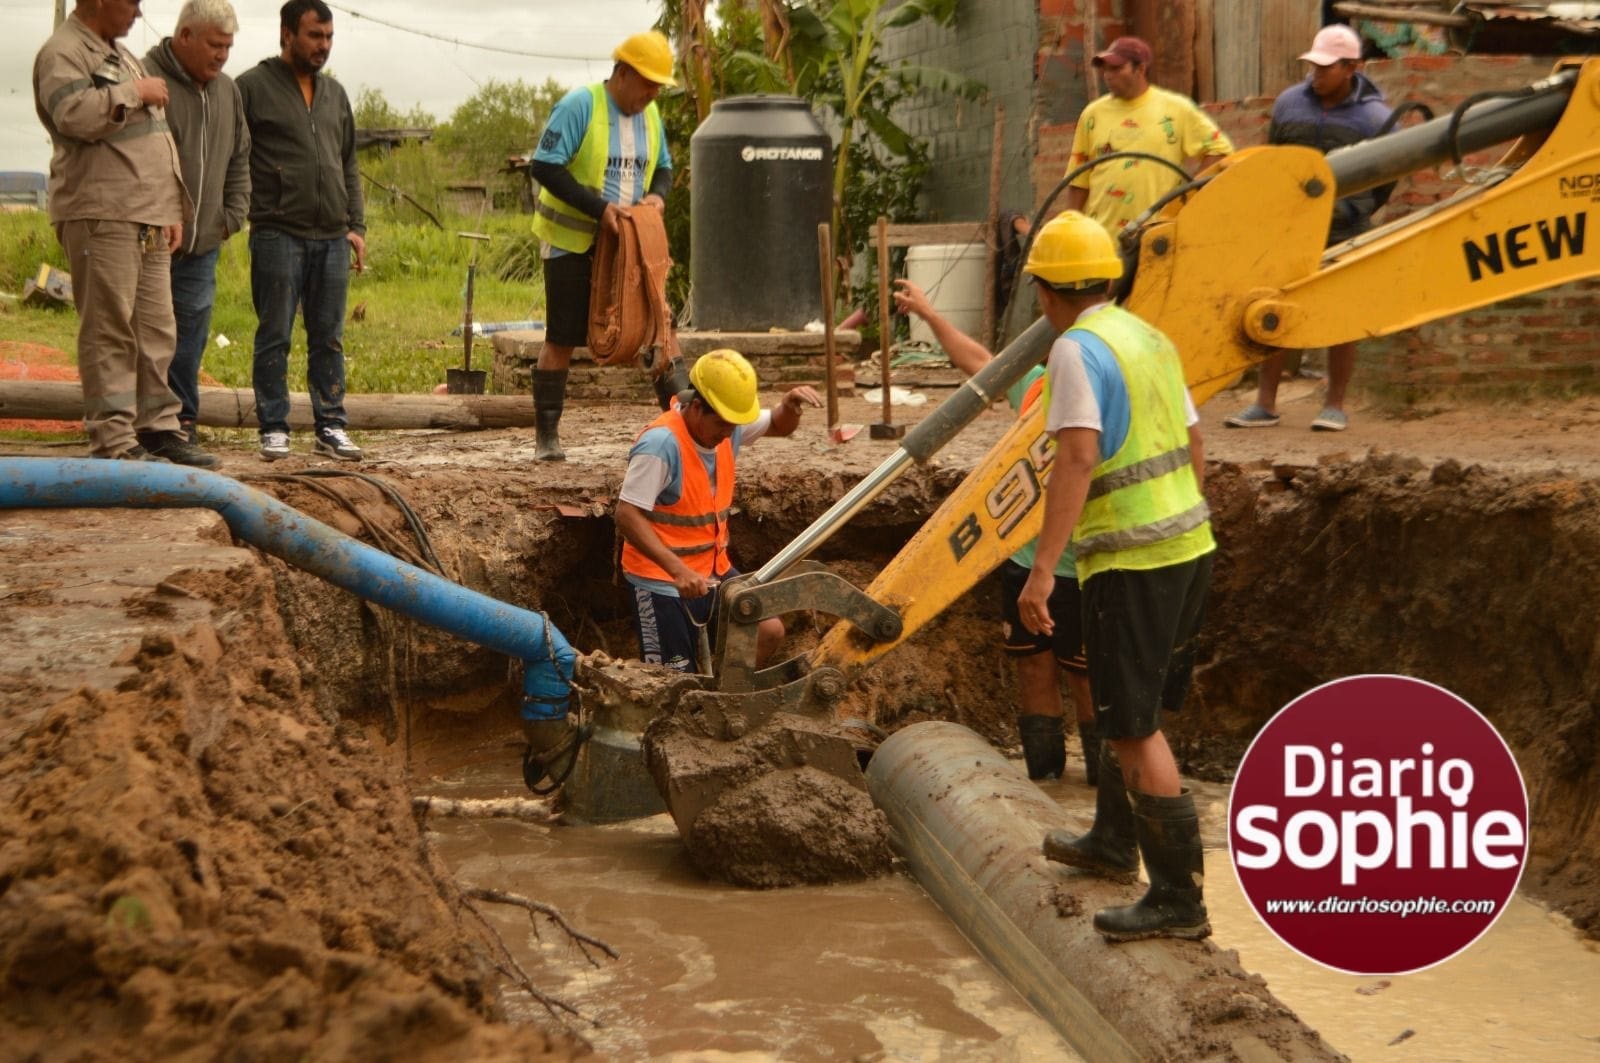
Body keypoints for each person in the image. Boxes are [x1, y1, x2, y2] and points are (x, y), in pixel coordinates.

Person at [1018, 210, 1215, 943]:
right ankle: (1111, 837)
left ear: (1045, 292)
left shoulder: (1075, 349)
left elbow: (1076, 457)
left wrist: (1043, 571)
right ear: (1109, 277)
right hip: (1187, 546)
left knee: (1132, 725)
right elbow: (1195, 444)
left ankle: (1177, 898)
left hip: (1132, 558)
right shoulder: (1149, 336)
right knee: (1123, 703)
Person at [893, 277, 1101, 785]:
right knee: (1033, 666)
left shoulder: (1102, 393)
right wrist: (931, 315)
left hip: (1085, 565)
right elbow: (979, 363)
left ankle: (1105, 786)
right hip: (1026, 561)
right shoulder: (1034, 387)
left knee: (1085, 675)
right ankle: (1045, 781)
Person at [32, 0, 217, 468]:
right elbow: (72, 115)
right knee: (109, 328)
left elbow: (153, 137)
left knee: (156, 328)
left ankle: (156, 429)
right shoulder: (63, 52)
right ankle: (113, 438)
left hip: (148, 215)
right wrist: (133, 92)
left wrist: (170, 207)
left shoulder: (122, 55)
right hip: (102, 213)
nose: (138, 11)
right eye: (131, 1)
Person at [1225, 24, 1392, 433]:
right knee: (1272, 307)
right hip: (1288, 225)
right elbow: (1274, 158)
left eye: (1327, 68)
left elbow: (1387, 177)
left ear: (1353, 67)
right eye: (1313, 67)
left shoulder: (1375, 118)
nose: (1317, 75)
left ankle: (1334, 404)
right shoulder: (1288, 105)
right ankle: (1265, 403)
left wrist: (1356, 208)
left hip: (1343, 227)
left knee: (1342, 311)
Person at [615, 349, 821, 673]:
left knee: (768, 631)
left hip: (713, 572)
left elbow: (779, 425)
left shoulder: (727, 427)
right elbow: (626, 514)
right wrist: (677, 570)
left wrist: (789, 406)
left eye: (734, 427)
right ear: (696, 407)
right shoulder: (660, 445)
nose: (729, 435)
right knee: (673, 678)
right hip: (661, 581)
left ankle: (723, 701)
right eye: (723, 426)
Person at [528, 30, 680, 462]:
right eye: (648, 83)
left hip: (629, 245)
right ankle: (547, 436)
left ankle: (681, 420)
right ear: (624, 73)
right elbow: (545, 166)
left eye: (657, 87)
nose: (652, 94)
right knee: (561, 335)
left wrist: (658, 196)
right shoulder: (581, 105)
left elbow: (664, 169)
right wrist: (599, 209)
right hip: (572, 241)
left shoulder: (651, 118)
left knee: (658, 327)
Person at [238, 0, 366, 462]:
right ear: (287, 33)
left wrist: (356, 225)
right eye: (315, 36)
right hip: (277, 231)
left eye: (329, 37)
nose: (323, 46)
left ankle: (330, 424)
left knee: (329, 335)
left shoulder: (335, 94)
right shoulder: (251, 88)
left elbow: (348, 161)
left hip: (332, 236)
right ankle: (274, 425)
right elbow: (235, 158)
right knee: (274, 332)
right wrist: (244, 210)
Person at [147, 0, 250, 450]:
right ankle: (140, 424)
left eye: (228, 47)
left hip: (203, 243)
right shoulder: (147, 77)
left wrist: (231, 217)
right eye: (215, 44)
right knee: (146, 335)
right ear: (185, 36)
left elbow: (241, 156)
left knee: (190, 334)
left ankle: (182, 422)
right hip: (148, 240)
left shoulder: (227, 91)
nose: (223, 55)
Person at [1064, 36, 1234, 238]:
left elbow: (1219, 150)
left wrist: (1186, 197)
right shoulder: (1092, 115)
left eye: (1117, 68)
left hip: (1155, 235)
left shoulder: (1175, 110)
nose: (1108, 75)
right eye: (1106, 69)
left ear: (1141, 69)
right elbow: (1079, 179)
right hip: (1102, 238)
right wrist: (1069, 227)